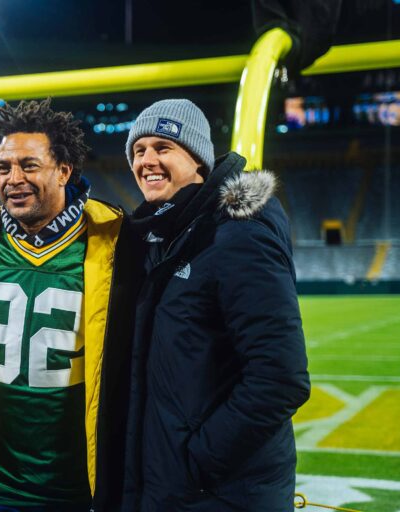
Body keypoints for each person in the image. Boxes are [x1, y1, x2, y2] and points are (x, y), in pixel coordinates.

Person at [0, 99, 141, 512]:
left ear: (64, 171)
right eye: (4, 168)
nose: (14, 179)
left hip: (82, 492)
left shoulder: (117, 243)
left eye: (29, 166)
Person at [122, 99, 310, 511]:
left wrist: (198, 462)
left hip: (220, 493)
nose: (146, 160)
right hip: (178, 489)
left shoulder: (239, 234)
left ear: (199, 160)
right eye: (138, 150)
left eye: (163, 147)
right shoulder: (165, 235)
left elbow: (280, 378)